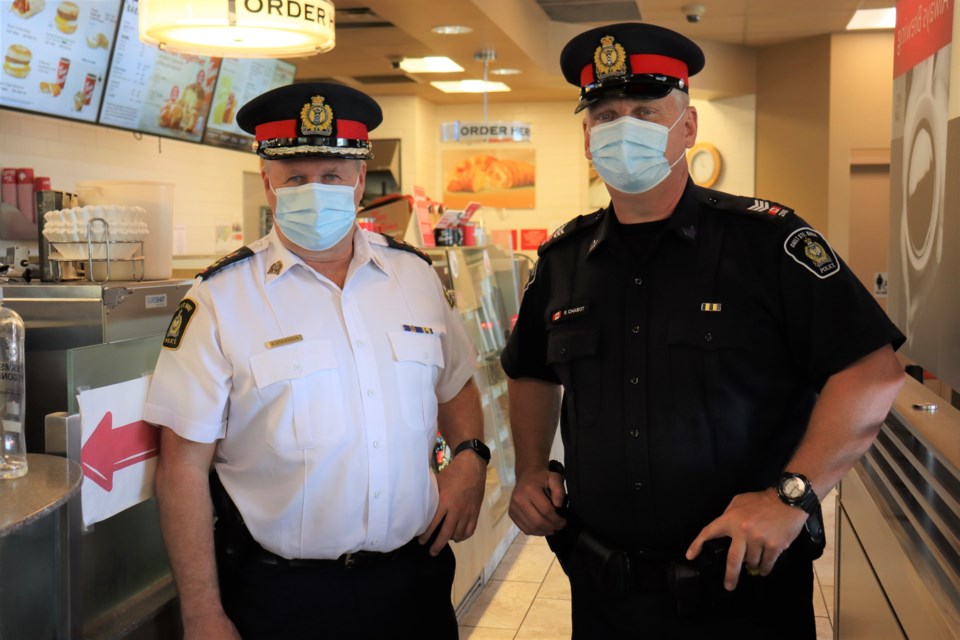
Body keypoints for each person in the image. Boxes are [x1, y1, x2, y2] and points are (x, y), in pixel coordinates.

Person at [501, 22, 906, 639]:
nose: (622, 128)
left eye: (644, 110)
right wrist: (531, 467)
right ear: (587, 139)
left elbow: (872, 370)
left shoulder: (766, 243)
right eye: (606, 115)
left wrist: (791, 496)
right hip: (608, 591)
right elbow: (529, 369)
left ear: (686, 128)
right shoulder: (563, 262)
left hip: (745, 590)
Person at [144, 82, 488, 640]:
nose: (315, 191)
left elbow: (456, 385)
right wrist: (202, 612)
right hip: (285, 600)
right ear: (268, 182)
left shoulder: (416, 280)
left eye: (331, 175)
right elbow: (181, 467)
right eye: (296, 177)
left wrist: (470, 457)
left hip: (415, 582)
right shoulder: (219, 299)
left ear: (358, 181)